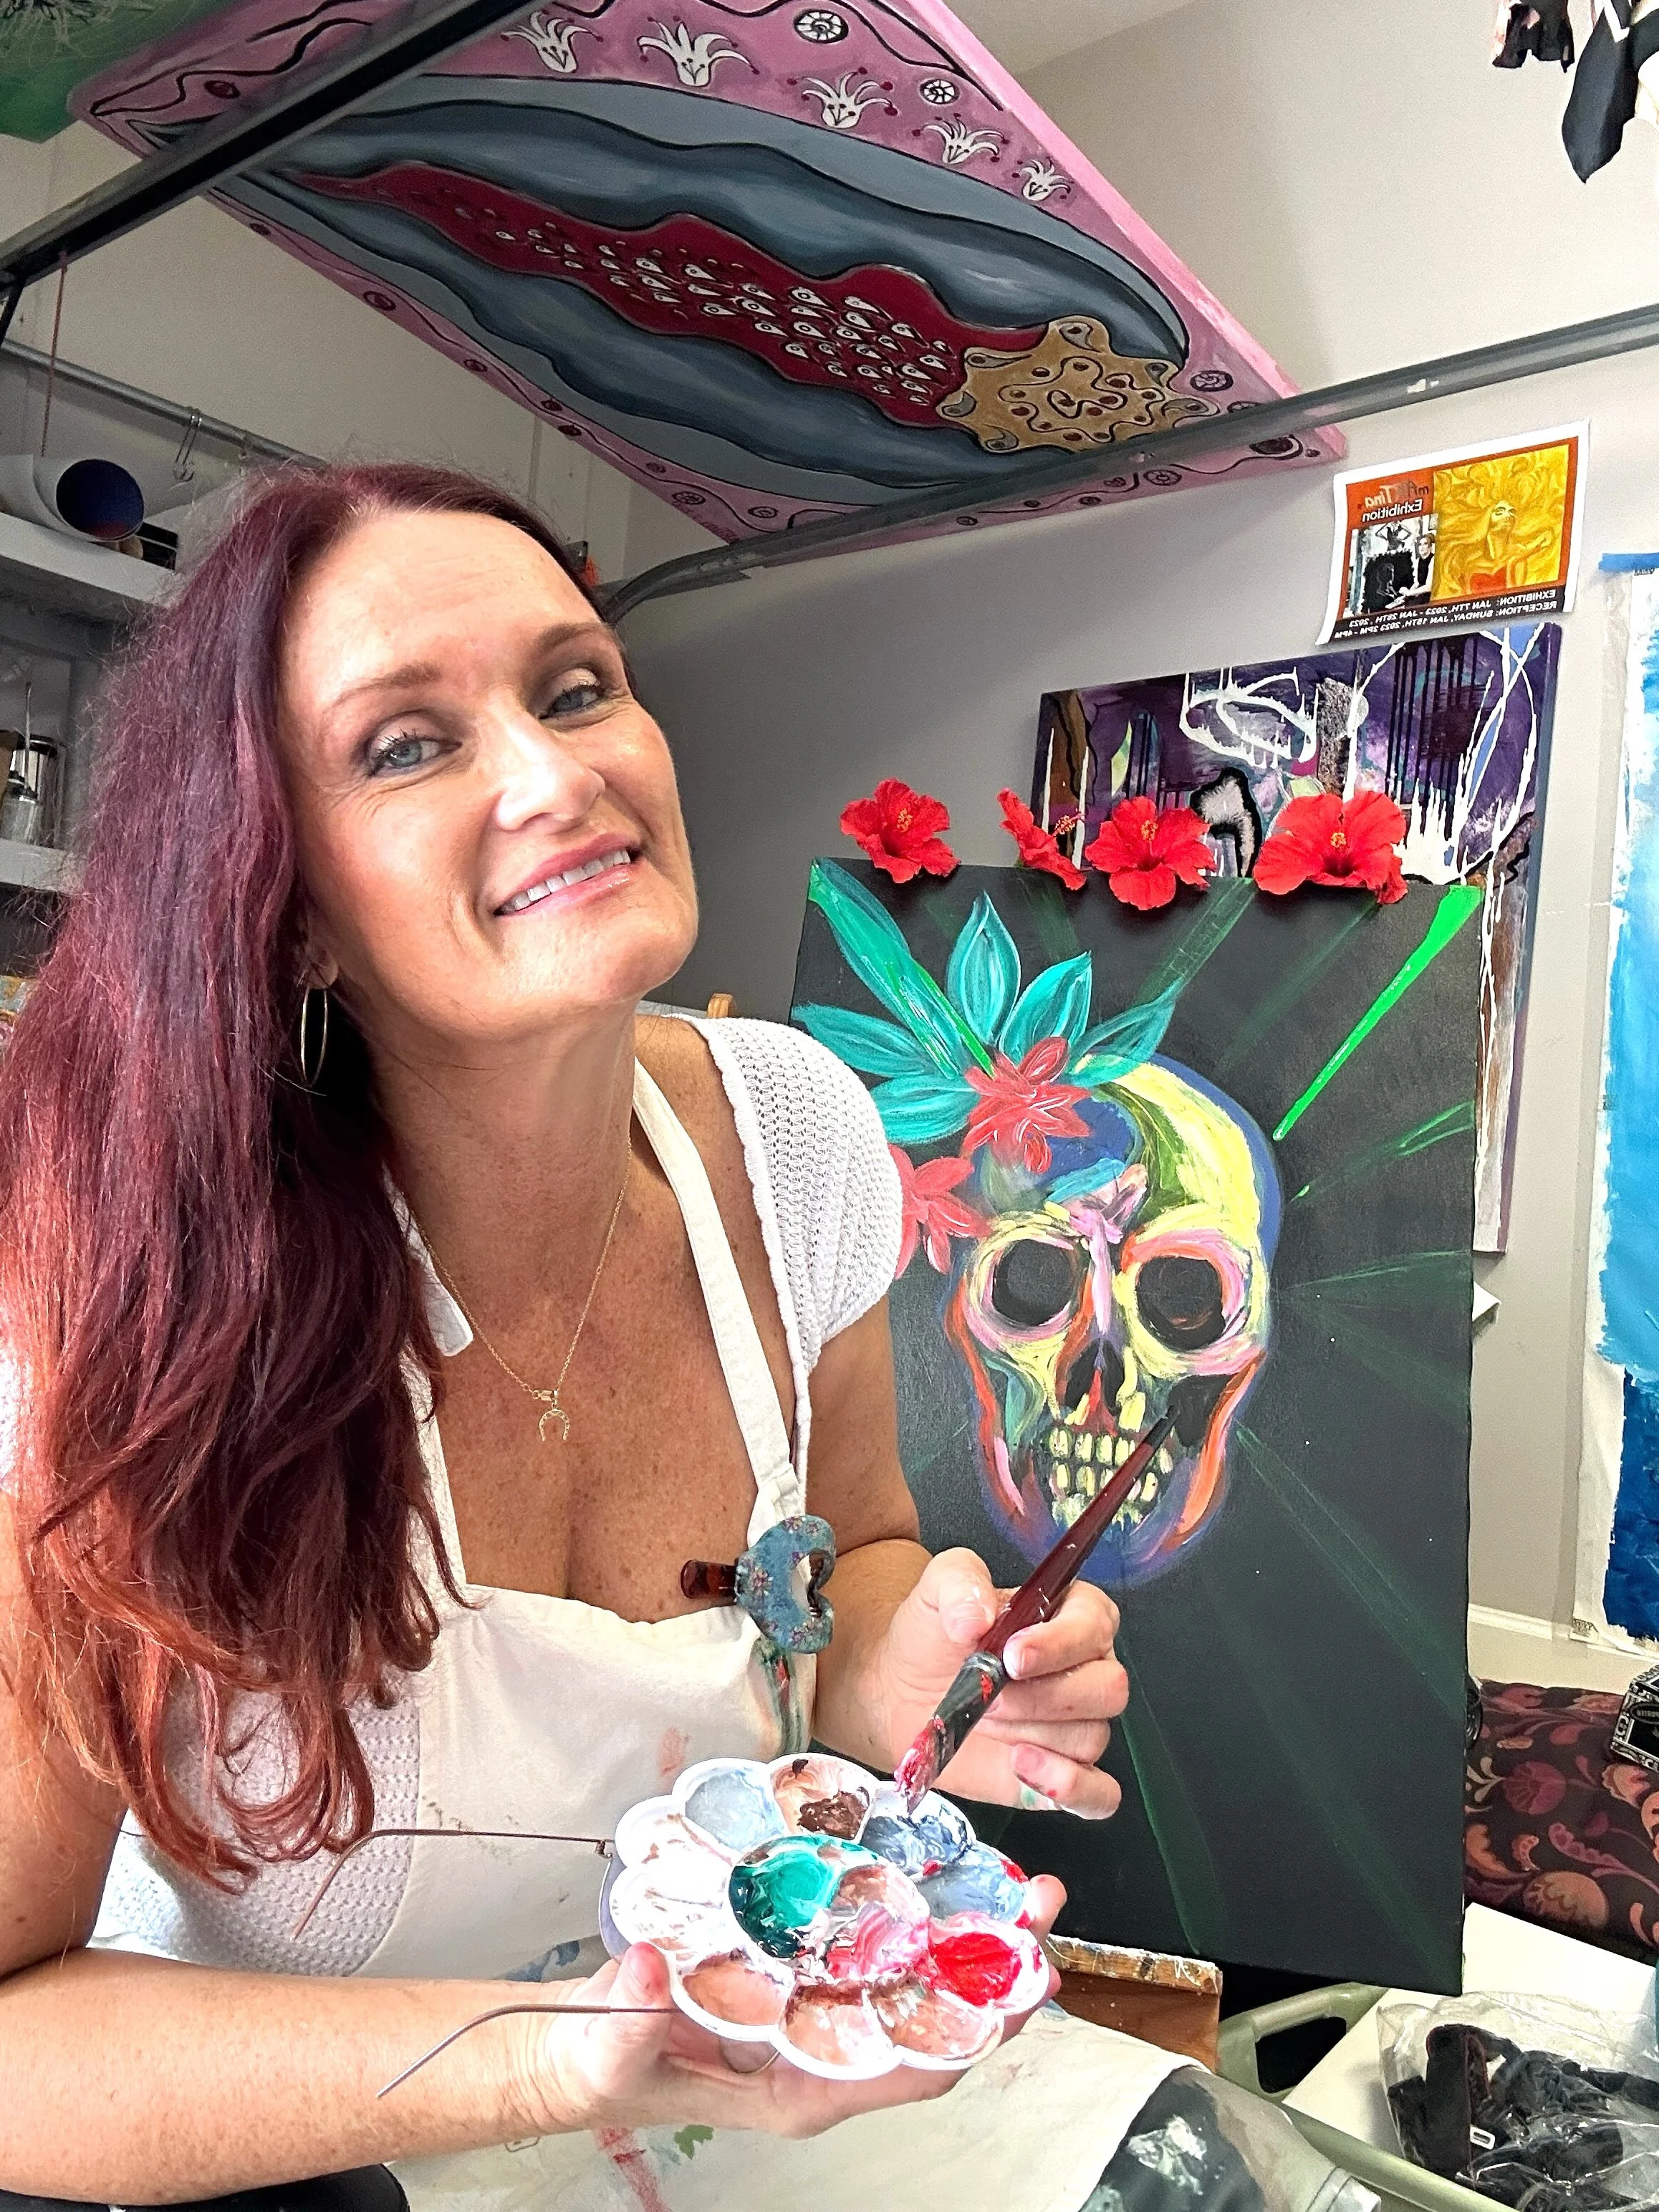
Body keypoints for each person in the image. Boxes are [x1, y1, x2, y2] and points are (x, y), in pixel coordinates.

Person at [0, 464, 1367, 2212]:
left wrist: (907, 1655)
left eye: (577, 688)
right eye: (407, 744)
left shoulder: (793, 1136)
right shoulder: (125, 1305)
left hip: (716, 2078)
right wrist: (564, 2046)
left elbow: (860, 1546)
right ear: (288, 908)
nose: (561, 773)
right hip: (300, 2153)